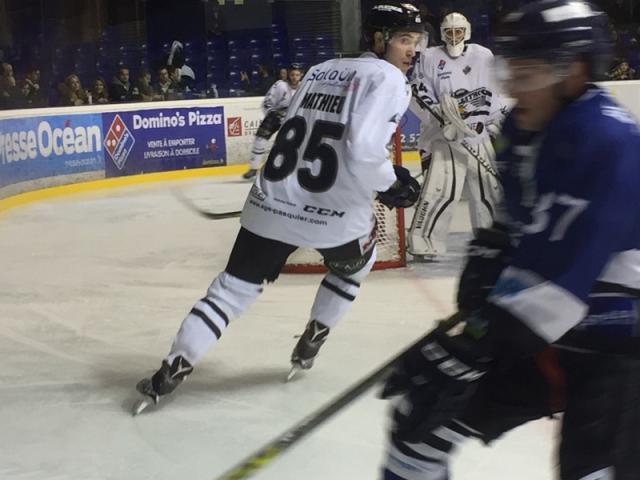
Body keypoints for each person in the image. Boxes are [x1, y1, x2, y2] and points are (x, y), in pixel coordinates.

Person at [380, 2, 640, 479]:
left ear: (574, 70)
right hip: (552, 332)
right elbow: (520, 236)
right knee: (417, 425)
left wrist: (470, 345)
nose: (513, 84)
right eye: (510, 67)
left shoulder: (606, 140)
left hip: (620, 344)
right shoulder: (521, 131)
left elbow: (557, 284)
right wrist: (492, 259)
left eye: (529, 69)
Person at [133, 1, 425, 415]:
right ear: (377, 39)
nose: (412, 49)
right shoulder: (390, 78)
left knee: (229, 292)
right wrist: (391, 182)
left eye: (416, 41)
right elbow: (361, 150)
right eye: (404, 40)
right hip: (334, 217)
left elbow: (297, 125)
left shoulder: (321, 69)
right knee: (356, 267)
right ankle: (313, 339)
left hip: (271, 203)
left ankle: (173, 367)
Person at [407, 11, 506, 261]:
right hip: (446, 138)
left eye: (458, 32)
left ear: (467, 32)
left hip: (476, 135)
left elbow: (496, 90)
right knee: (442, 190)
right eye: (449, 32)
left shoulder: (483, 56)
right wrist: (439, 118)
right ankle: (423, 242)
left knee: (489, 190)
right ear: (442, 34)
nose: (454, 36)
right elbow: (419, 92)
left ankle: (491, 239)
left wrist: (494, 120)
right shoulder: (430, 57)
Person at [240, 63, 303, 180]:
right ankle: (253, 168)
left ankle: (292, 169)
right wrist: (273, 114)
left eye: (297, 75)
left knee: (293, 145)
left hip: (292, 118)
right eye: (292, 74)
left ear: (301, 75)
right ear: (288, 74)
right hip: (275, 116)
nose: (294, 77)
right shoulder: (280, 85)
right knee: (260, 139)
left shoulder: (304, 87)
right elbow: (267, 102)